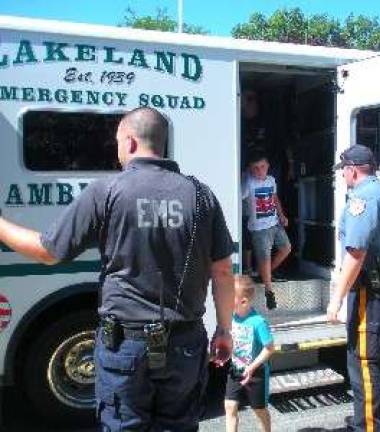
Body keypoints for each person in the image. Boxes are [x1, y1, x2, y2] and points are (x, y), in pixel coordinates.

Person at [0, 107, 235, 431]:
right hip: (184, 344)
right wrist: (224, 329)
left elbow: (48, 251)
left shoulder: (106, 191)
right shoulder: (201, 194)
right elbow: (222, 271)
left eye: (118, 143)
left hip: (126, 346)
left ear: (131, 142)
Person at [327, 145, 380, 432]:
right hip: (378, 286)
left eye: (343, 170)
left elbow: (356, 254)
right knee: (369, 359)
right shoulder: (378, 192)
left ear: (353, 169)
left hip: (372, 291)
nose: (342, 175)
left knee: (365, 363)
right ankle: (367, 421)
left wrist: (335, 300)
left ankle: (369, 427)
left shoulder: (363, 199)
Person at [242, 152, 291, 310]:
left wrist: (282, 215)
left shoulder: (271, 180)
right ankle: (269, 292)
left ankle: (263, 273)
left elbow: (275, 199)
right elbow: (240, 194)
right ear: (250, 170)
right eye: (255, 168)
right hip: (259, 228)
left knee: (286, 248)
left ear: (268, 166)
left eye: (262, 167)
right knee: (265, 257)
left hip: (274, 223)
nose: (259, 171)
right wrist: (245, 175)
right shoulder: (248, 183)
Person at [224, 275, 274, 432]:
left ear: (244, 301)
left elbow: (269, 348)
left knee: (259, 410)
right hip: (236, 369)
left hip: (256, 373)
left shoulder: (258, 322)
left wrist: (252, 367)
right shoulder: (231, 318)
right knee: (230, 406)